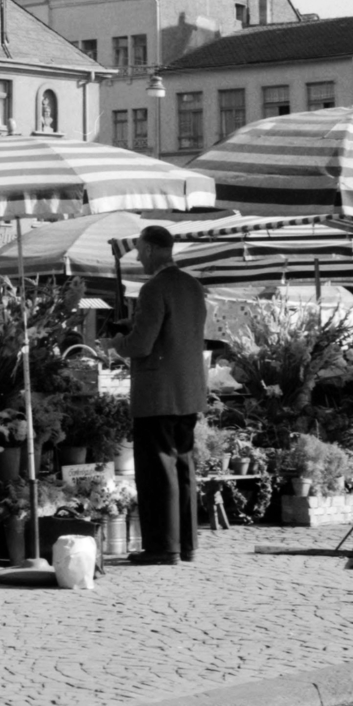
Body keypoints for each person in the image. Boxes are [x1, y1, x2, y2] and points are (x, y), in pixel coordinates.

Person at [103, 225, 207, 565]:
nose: (137, 258)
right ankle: (186, 545)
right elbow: (172, 332)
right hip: (188, 390)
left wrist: (115, 343)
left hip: (157, 392)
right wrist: (133, 323)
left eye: (139, 252)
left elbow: (142, 345)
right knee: (183, 467)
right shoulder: (193, 286)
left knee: (158, 471)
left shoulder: (153, 288)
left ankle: (164, 548)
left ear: (148, 249)